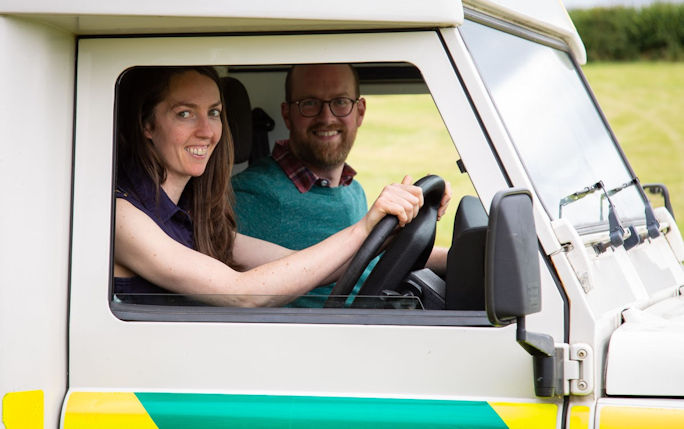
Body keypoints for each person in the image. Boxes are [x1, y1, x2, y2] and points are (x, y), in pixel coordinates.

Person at [113, 66, 444, 308]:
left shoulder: (193, 217)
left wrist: (395, 230)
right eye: (185, 113)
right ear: (147, 125)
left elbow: (305, 265)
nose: (207, 131)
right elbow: (241, 292)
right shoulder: (121, 216)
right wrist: (363, 227)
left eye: (214, 113)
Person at [232, 64, 450, 306]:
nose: (326, 117)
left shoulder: (352, 190)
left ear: (360, 111)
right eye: (310, 103)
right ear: (287, 115)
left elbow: (375, 256)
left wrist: (461, 256)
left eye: (340, 102)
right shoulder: (245, 195)